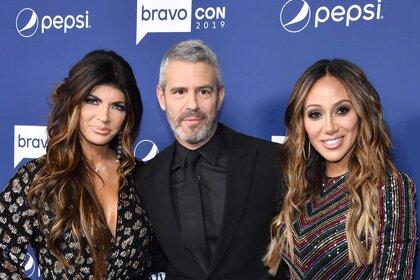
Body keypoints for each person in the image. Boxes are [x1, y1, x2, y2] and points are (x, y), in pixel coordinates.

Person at [136, 39, 285, 279]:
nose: (192, 105)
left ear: (220, 96)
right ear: (161, 97)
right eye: (179, 92)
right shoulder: (145, 179)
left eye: (203, 91)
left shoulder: (271, 161)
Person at [0, 50, 152, 279]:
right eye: (93, 101)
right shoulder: (39, 178)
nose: (104, 116)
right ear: (73, 102)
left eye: (117, 106)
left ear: (128, 115)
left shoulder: (142, 176)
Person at [264, 59, 417, 279]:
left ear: (362, 114)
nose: (329, 127)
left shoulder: (389, 187)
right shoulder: (301, 188)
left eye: (342, 110)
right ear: (302, 124)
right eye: (315, 114)